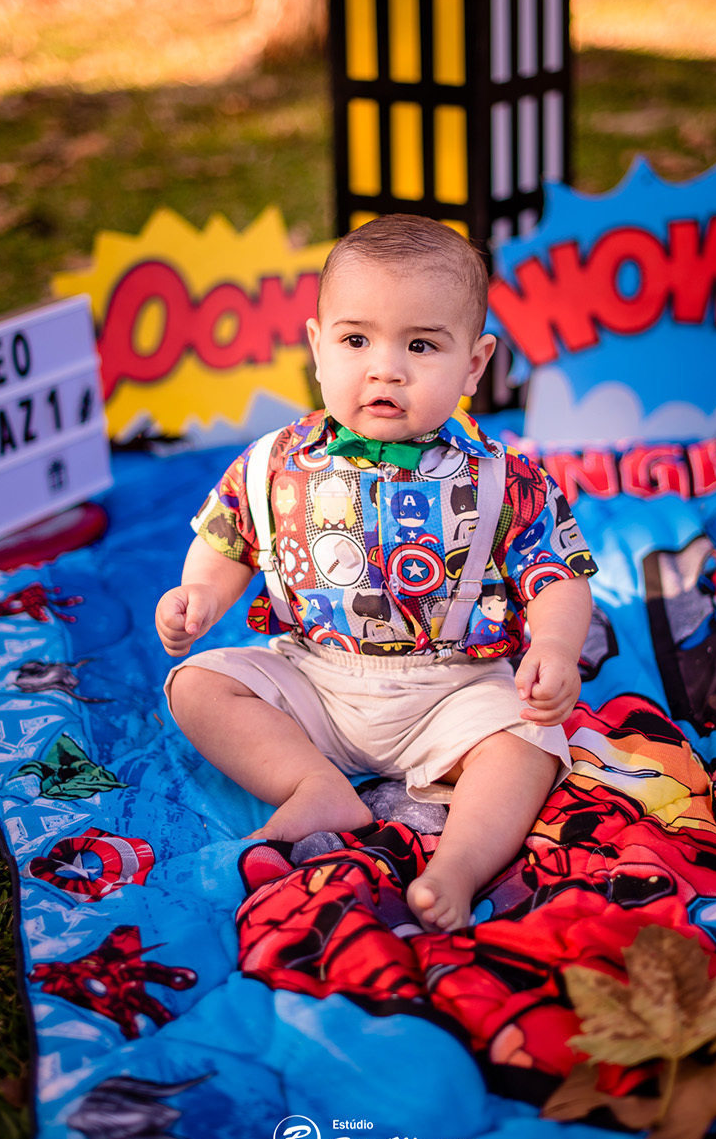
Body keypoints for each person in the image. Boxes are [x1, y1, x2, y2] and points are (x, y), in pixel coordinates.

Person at [156, 215, 597, 932]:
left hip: (452, 685)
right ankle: (312, 782)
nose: (385, 369)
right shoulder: (274, 462)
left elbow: (557, 572)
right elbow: (229, 538)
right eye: (356, 340)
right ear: (316, 347)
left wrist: (552, 645)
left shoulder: (505, 479)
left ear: (474, 364)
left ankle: (459, 864)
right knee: (197, 685)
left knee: (529, 743)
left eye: (421, 345)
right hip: (315, 676)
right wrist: (199, 594)